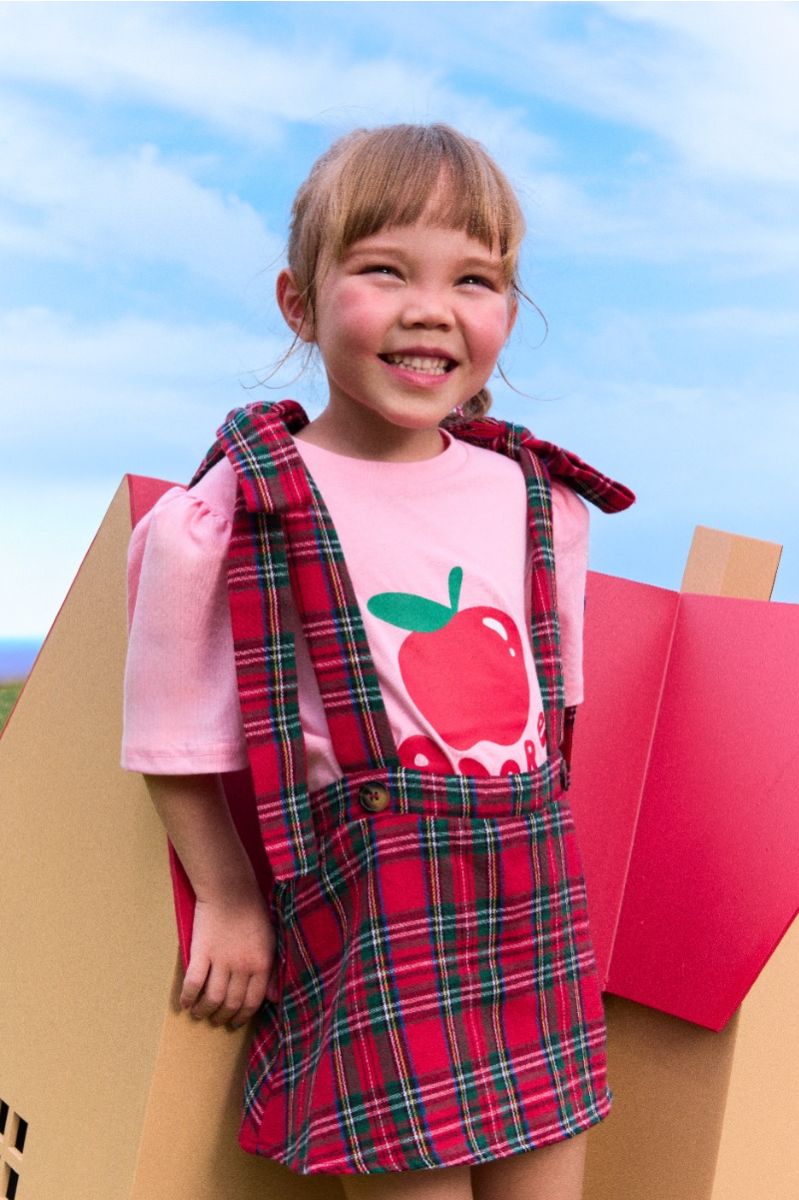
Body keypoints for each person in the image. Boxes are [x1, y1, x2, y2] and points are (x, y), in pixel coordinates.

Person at [122, 123, 634, 1200]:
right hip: (376, 926)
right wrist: (225, 897)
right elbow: (168, 730)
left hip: (530, 901)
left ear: (507, 310)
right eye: (384, 269)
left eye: (475, 279)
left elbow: (554, 715)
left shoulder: (537, 501)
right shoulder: (232, 514)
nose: (430, 308)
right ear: (299, 302)